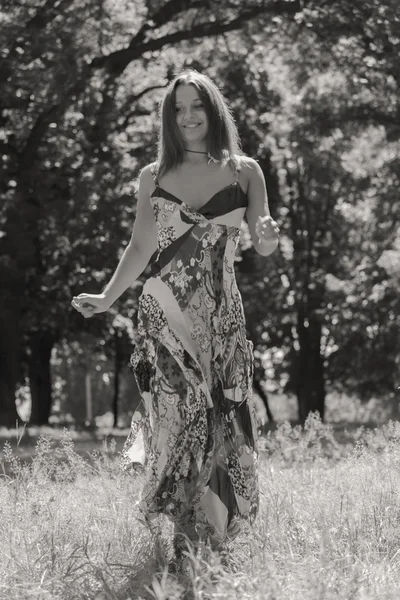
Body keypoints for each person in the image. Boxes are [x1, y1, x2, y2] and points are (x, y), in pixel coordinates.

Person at [71, 70, 279, 569]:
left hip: (222, 317)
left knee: (222, 419)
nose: (187, 117)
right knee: (181, 421)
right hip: (164, 313)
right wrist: (106, 296)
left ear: (213, 110)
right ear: (169, 116)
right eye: (178, 108)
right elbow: (141, 246)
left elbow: (263, 241)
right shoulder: (153, 176)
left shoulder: (244, 171)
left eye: (196, 106)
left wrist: (270, 237)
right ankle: (186, 538)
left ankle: (218, 536)